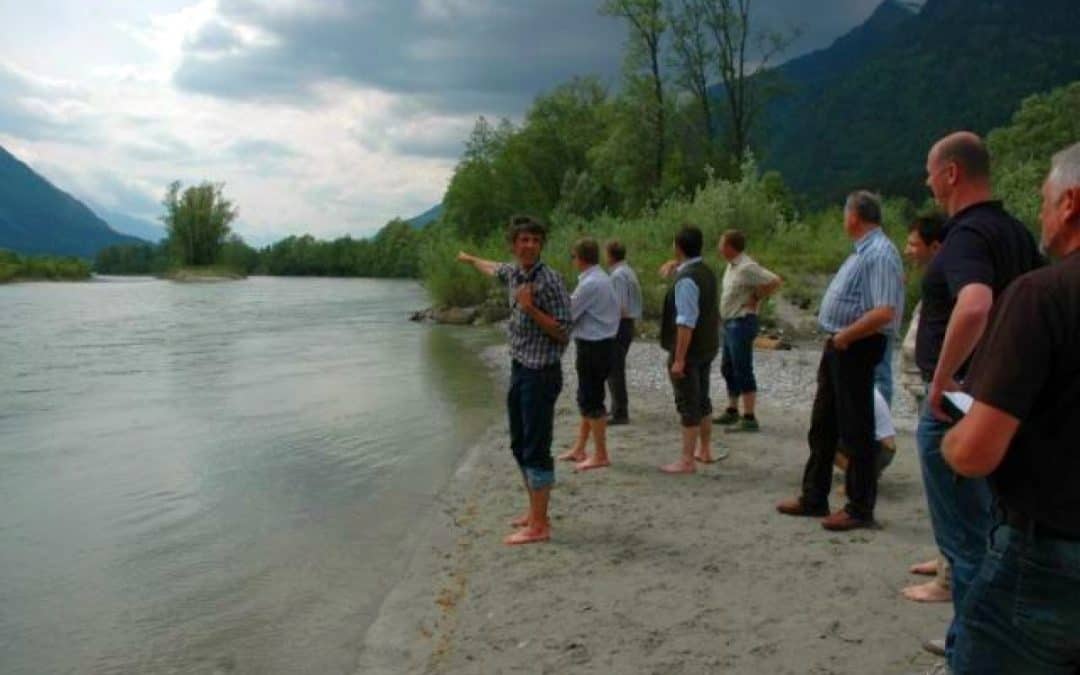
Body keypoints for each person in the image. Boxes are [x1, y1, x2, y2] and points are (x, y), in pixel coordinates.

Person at [942, 141, 1080, 674]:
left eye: (1045, 199)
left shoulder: (1041, 296)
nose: (1040, 213)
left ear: (1070, 203)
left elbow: (976, 451)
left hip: (1048, 559)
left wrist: (952, 439)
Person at [914, 132, 1041, 660]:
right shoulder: (1016, 234)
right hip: (1000, 405)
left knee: (964, 543)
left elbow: (973, 305)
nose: (926, 180)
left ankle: (969, 649)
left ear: (951, 174)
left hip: (959, 409)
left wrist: (942, 380)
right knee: (993, 534)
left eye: (929, 169)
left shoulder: (966, 236)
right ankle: (981, 639)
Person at [776, 191, 904, 531]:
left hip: (856, 346)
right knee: (824, 424)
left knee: (856, 429)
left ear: (854, 217)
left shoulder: (879, 254)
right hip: (840, 345)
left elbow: (884, 311)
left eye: (845, 214)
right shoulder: (864, 252)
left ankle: (860, 507)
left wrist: (847, 335)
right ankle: (814, 496)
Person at [456, 215, 572, 546]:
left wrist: (531, 309)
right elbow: (494, 268)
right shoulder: (513, 272)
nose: (530, 245)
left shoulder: (550, 280)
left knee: (536, 447)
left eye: (535, 240)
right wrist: (469, 259)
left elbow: (564, 332)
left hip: (541, 374)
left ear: (541, 245)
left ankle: (540, 526)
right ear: (514, 244)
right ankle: (535, 513)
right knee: (519, 444)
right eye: (524, 240)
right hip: (520, 368)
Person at [897, 214, 953, 605]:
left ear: (935, 246)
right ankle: (945, 558)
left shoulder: (952, 280)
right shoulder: (938, 279)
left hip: (938, 394)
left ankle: (949, 579)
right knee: (937, 486)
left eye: (914, 243)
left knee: (947, 486)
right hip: (925, 390)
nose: (908, 250)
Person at [658, 225, 722, 473]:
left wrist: (679, 359)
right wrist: (675, 266)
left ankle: (686, 460)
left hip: (690, 351)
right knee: (703, 399)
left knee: (687, 403)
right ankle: (704, 450)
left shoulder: (687, 280)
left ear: (678, 247)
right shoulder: (705, 271)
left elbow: (685, 322)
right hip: (708, 346)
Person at [559, 238, 621, 471]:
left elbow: (568, 313)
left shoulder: (590, 283)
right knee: (588, 397)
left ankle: (601, 454)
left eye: (573, 257)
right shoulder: (602, 278)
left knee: (591, 400)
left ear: (580, 258)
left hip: (593, 346)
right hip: (603, 344)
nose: (572, 261)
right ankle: (580, 448)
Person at [712, 229, 783, 433]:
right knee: (728, 367)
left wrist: (757, 297)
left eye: (721, 243)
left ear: (730, 247)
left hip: (742, 322)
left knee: (742, 367)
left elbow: (774, 280)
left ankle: (749, 416)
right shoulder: (731, 266)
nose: (718, 247)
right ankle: (732, 409)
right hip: (730, 322)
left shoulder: (746, 267)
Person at [605, 240, 643, 425]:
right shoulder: (628, 271)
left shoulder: (618, 276)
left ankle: (620, 411)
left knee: (614, 369)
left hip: (619, 325)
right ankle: (617, 408)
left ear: (610, 255)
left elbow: (619, 306)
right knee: (615, 368)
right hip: (627, 324)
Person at [834, 387, 897, 478]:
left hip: (881, 450)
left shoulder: (856, 394)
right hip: (886, 448)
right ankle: (866, 473)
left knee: (824, 442)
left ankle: (858, 478)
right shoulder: (866, 387)